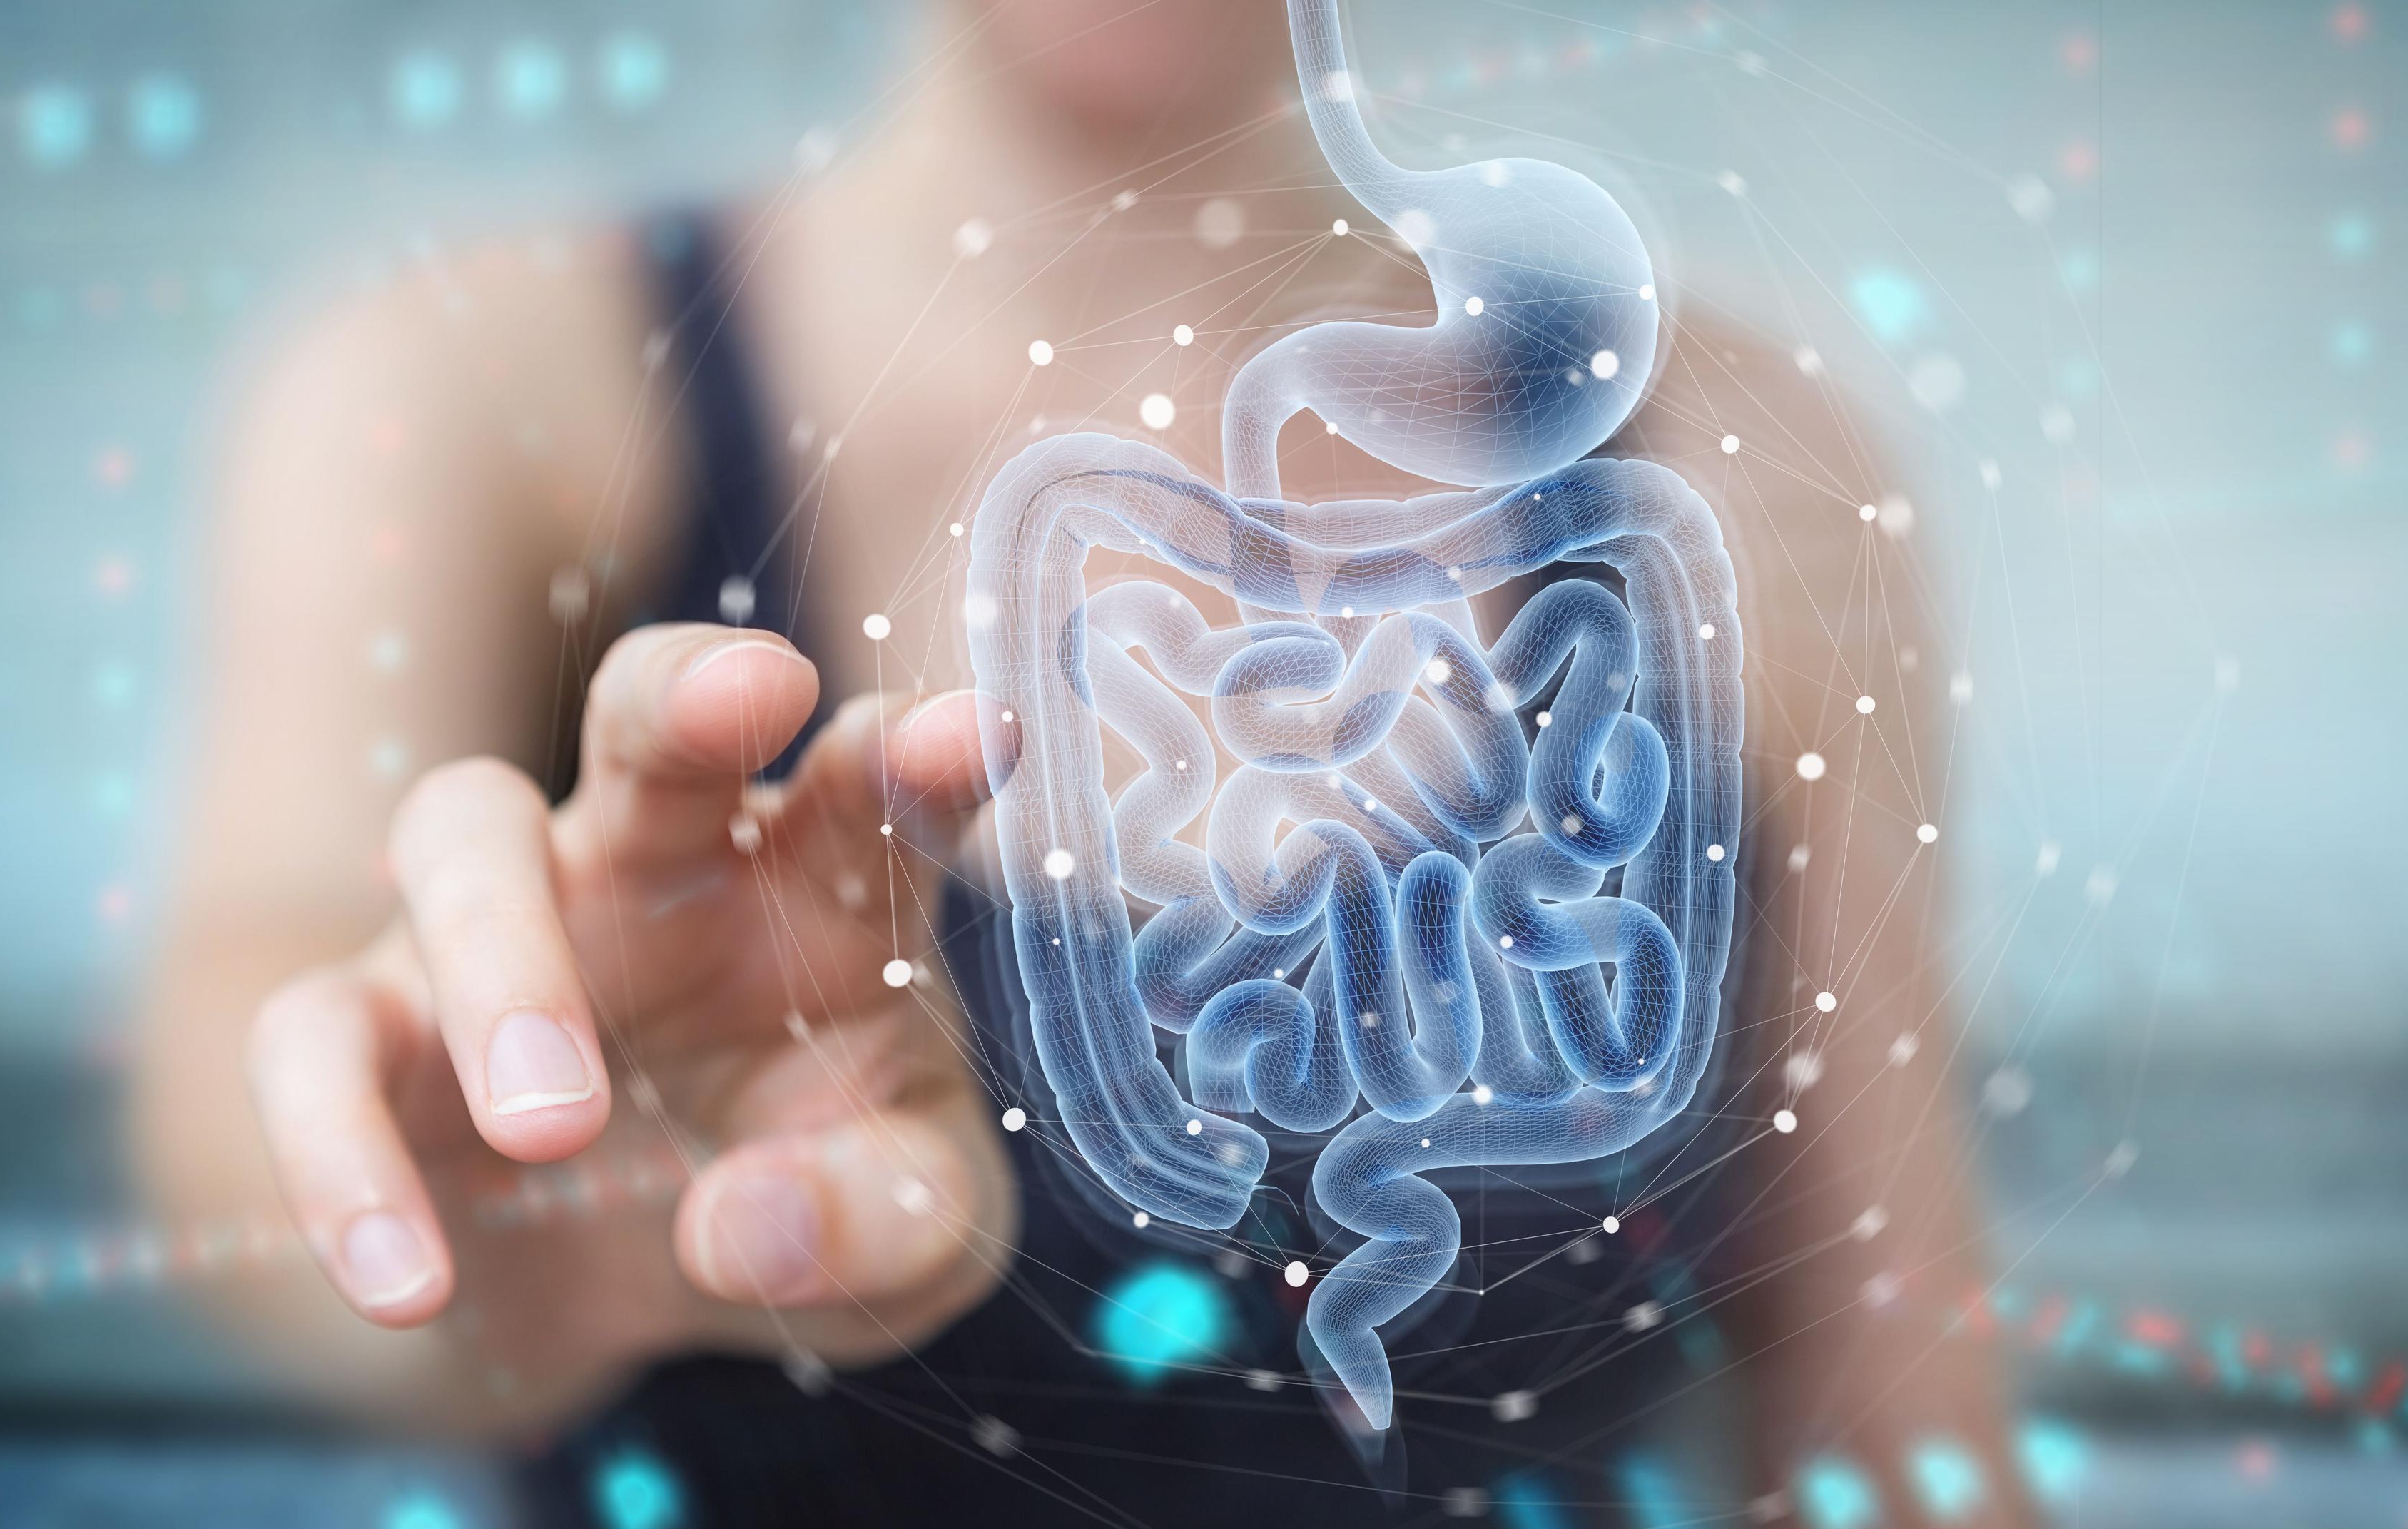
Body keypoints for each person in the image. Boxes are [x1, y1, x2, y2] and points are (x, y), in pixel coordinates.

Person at [137, 1, 2023, 1520]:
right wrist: (496, 1212)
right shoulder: (474, 404)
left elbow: (1888, 1424)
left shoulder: (1755, 481)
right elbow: (259, 1037)